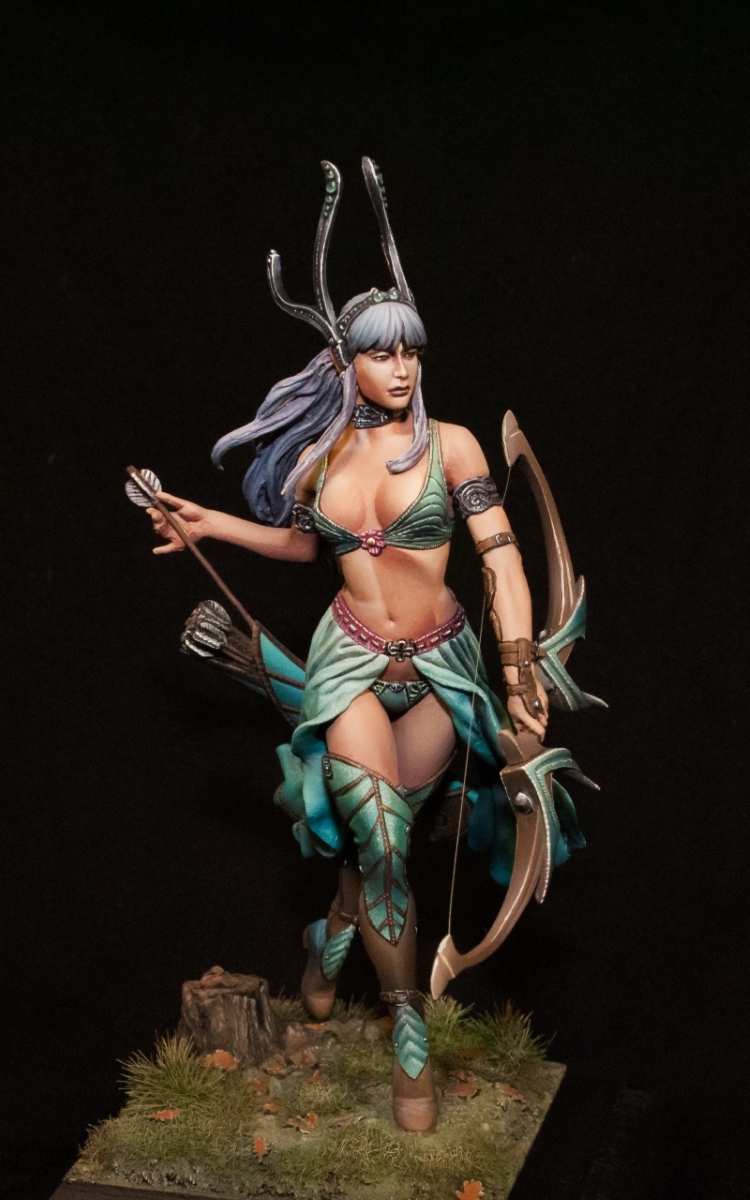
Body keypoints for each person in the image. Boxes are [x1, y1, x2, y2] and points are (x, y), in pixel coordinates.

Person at [147, 159, 582, 1134]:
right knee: (383, 843)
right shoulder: (318, 459)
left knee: (381, 851)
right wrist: (211, 524)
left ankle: (328, 940)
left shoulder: (454, 446)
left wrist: (519, 669)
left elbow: (503, 560)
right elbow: (306, 548)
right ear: (347, 362)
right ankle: (406, 1029)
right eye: (383, 354)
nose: (402, 369)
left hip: (439, 666)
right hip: (348, 664)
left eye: (411, 352)